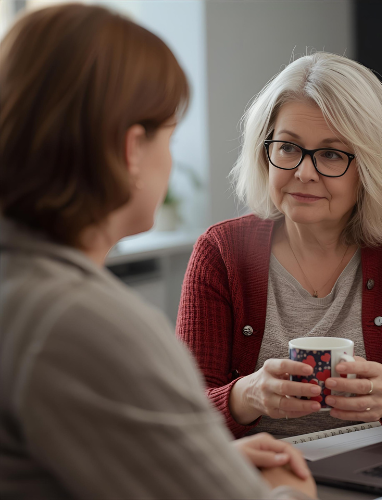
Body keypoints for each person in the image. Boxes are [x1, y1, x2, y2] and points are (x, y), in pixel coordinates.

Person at [0, 4, 317, 499]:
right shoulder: (81, 321)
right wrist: (288, 489)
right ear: (132, 151)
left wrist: (197, 462)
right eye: (169, 135)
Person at [176, 52, 382, 440]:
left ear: (368, 166)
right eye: (288, 147)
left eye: (331, 154)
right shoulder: (219, 251)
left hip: (381, 474)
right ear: (265, 153)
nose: (304, 172)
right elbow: (183, 410)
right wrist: (248, 395)